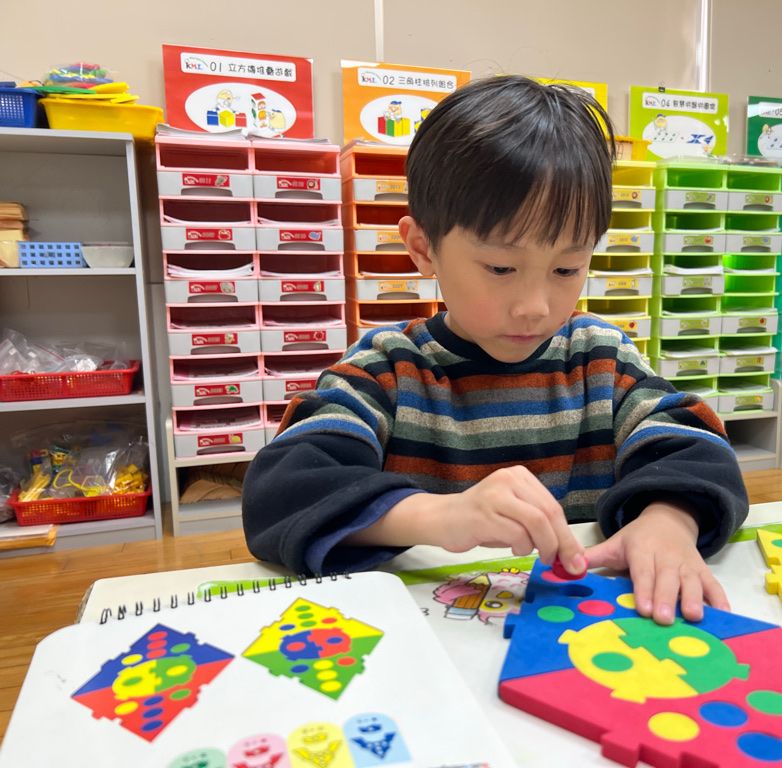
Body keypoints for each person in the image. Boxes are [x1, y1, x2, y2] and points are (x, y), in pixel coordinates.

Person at [242, 75, 749, 626]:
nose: (535, 306)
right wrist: (438, 515)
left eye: (567, 269)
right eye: (502, 268)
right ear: (423, 248)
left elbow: (698, 449)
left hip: (575, 636)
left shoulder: (603, 361)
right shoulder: (385, 373)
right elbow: (280, 492)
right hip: (430, 638)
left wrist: (668, 520)